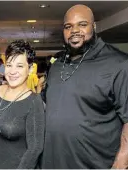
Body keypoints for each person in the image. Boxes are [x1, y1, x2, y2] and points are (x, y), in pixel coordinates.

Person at [41, 4, 128, 169]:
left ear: (94, 27)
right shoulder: (57, 65)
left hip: (95, 164)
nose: (74, 30)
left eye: (82, 24)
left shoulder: (119, 63)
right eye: (68, 26)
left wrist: (120, 164)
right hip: (52, 163)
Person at [0, 40, 45, 169]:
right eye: (9, 65)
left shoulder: (33, 101)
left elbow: (35, 148)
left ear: (30, 68)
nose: (12, 71)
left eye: (19, 66)